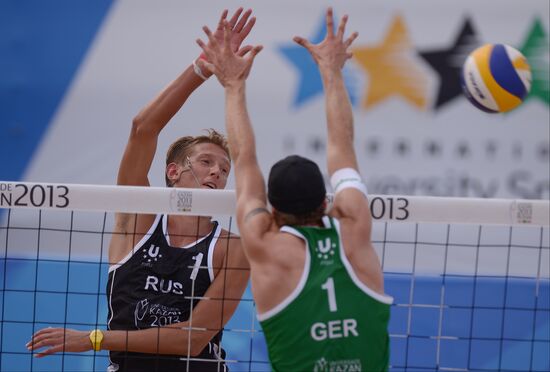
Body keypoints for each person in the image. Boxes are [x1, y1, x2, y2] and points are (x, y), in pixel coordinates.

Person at [27, 8, 255, 372]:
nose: (217, 172)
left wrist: (95, 339)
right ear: (174, 171)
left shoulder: (232, 247)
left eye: (225, 169)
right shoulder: (139, 221)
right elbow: (141, 130)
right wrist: (201, 68)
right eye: (207, 162)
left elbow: (193, 338)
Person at [197, 7, 393, 371]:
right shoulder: (355, 228)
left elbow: (244, 160)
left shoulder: (264, 244)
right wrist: (333, 73)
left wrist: (233, 85)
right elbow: (343, 149)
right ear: (325, 201)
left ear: (272, 210)